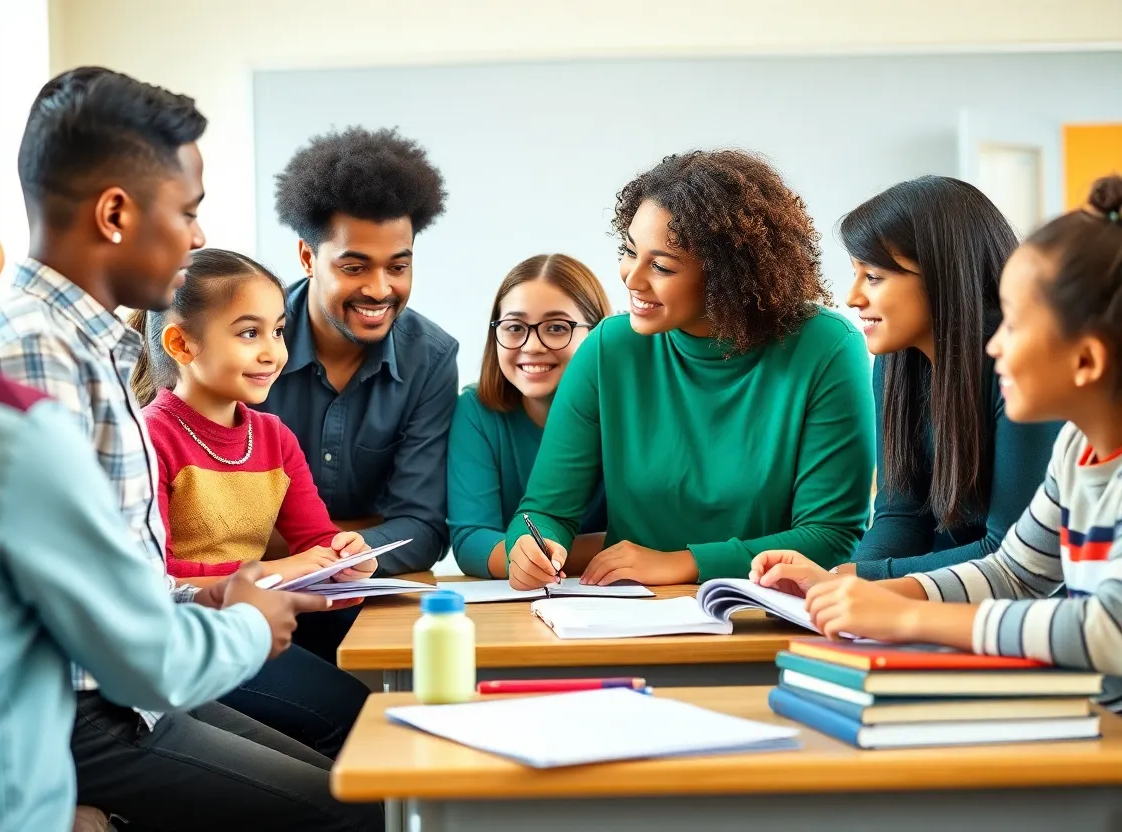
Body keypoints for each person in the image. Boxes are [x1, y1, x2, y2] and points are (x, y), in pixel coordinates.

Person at [0, 66, 382, 830]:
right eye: (188, 211)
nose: (200, 236)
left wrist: (213, 596)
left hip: (124, 698)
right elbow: (79, 619)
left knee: (362, 786)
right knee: (349, 813)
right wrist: (239, 623)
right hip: (71, 717)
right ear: (116, 213)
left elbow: (99, 583)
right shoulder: (37, 355)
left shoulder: (90, 349)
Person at [751, 176, 1122, 711]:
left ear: (1086, 360)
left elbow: (1108, 627)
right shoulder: (1075, 453)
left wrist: (905, 614)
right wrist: (851, 586)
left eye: (1014, 325)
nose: (995, 343)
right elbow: (1015, 573)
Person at [505, 149, 875, 590]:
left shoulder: (826, 348)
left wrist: (682, 563)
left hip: (764, 613)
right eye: (629, 251)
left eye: (660, 266)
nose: (631, 278)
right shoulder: (609, 348)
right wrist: (535, 545)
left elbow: (832, 536)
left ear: (728, 276)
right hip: (624, 612)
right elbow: (545, 509)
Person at [128, 247, 378, 751]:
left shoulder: (272, 436)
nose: (273, 352)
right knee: (348, 713)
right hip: (189, 632)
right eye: (249, 333)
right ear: (181, 344)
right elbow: (160, 579)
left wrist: (348, 555)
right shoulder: (148, 438)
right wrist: (283, 571)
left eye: (279, 331)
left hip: (256, 610)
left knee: (385, 654)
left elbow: (317, 540)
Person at [260, 126, 457, 579]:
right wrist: (358, 537)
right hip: (251, 593)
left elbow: (423, 528)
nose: (380, 289)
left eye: (399, 266)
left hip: (367, 595)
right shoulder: (243, 343)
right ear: (308, 259)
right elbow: (214, 524)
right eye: (354, 267)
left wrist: (315, 548)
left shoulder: (430, 359)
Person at [841, 177, 1062, 579]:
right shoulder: (895, 364)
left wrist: (860, 580)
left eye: (873, 277)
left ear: (942, 274)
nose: (853, 297)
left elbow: (1011, 554)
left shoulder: (1021, 370)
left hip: (1010, 602)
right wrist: (841, 580)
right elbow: (900, 516)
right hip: (936, 593)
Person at [447, 253, 610, 578]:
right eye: (514, 327)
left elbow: (655, 539)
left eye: (556, 328)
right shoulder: (476, 412)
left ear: (596, 334)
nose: (532, 346)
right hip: (522, 596)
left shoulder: (627, 412)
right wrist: (525, 561)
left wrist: (533, 556)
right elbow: (469, 540)